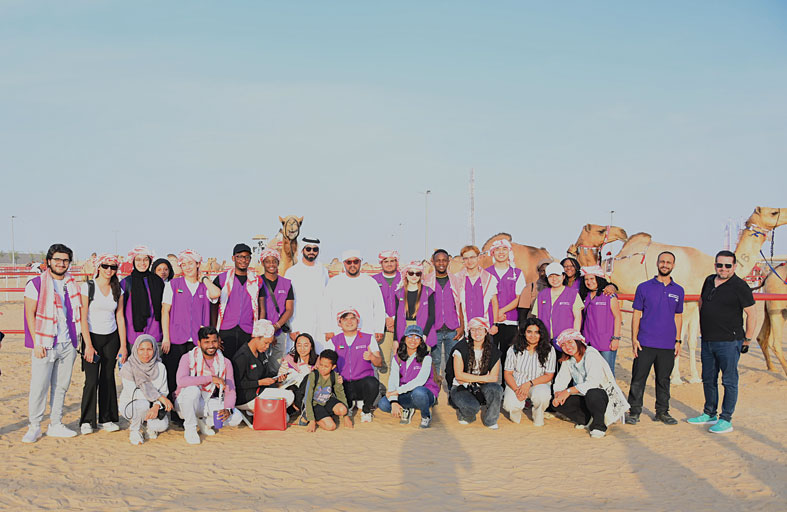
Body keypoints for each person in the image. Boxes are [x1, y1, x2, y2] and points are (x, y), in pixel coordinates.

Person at [689, 250, 756, 434]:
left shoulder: (740, 286)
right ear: (715, 266)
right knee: (708, 378)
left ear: (734, 266)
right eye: (720, 265)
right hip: (708, 340)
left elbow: (752, 313)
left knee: (729, 380)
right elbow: (702, 302)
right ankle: (710, 413)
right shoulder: (709, 280)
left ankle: (726, 418)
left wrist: (748, 340)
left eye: (727, 265)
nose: (723, 269)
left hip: (729, 342)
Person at [22, 243, 83, 442]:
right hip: (45, 343)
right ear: (49, 261)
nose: (61, 263)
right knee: (39, 387)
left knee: (61, 386)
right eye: (57, 259)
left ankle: (56, 423)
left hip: (68, 344)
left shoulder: (72, 284)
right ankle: (34, 426)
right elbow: (30, 314)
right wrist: (37, 343)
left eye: (65, 260)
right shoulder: (36, 284)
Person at [161, 249, 221, 428]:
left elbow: (216, 294)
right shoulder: (173, 284)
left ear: (197, 264)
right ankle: (176, 414)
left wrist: (204, 278)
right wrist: (166, 337)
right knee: (174, 375)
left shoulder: (204, 286)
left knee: (196, 376)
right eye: (184, 264)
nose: (187, 267)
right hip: (176, 338)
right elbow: (165, 311)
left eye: (190, 263)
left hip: (197, 340)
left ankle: (194, 412)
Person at [626, 251, 684, 426]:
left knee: (663, 380)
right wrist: (634, 339)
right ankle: (634, 411)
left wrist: (678, 340)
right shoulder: (643, 287)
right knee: (638, 379)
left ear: (673, 265)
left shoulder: (678, 290)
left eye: (668, 262)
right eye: (662, 261)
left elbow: (678, 316)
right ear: (657, 263)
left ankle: (662, 412)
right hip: (645, 342)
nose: (665, 265)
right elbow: (637, 314)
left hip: (667, 344)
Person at [79, 253, 127, 435]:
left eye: (113, 267)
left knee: (108, 378)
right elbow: (83, 318)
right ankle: (87, 420)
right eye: (105, 266)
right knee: (91, 381)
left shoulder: (118, 289)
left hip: (111, 338)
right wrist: (88, 345)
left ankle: (107, 418)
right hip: (92, 337)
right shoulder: (88, 287)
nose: (109, 270)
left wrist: (123, 345)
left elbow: (120, 317)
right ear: (98, 267)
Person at [552, 329, 629, 438]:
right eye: (563, 345)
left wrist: (568, 391)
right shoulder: (569, 359)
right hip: (583, 395)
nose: (567, 347)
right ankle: (586, 419)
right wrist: (558, 394)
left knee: (593, 393)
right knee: (557, 402)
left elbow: (593, 382)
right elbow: (561, 380)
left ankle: (599, 426)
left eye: (570, 342)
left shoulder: (591, 354)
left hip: (601, 395)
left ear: (578, 342)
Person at [174, 326, 243, 444]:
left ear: (218, 341)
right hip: (185, 402)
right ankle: (190, 429)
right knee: (192, 390)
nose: (211, 345)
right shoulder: (188, 357)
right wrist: (210, 378)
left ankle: (204, 422)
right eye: (206, 342)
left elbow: (230, 390)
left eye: (214, 341)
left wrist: (228, 409)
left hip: (207, 401)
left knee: (236, 417)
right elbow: (181, 381)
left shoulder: (225, 362)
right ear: (199, 343)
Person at [378, 325, 440, 428]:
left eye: (417, 337)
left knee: (418, 392)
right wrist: (394, 400)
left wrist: (397, 391)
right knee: (383, 404)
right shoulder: (397, 358)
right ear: (405, 338)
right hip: (405, 393)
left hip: (424, 393)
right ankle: (406, 408)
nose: (413, 340)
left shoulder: (426, 357)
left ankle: (425, 415)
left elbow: (420, 381)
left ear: (421, 341)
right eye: (410, 336)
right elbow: (393, 379)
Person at [448, 317, 503, 429]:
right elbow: (459, 376)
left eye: (480, 329)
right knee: (472, 408)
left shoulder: (493, 350)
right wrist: (484, 378)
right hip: (461, 386)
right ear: (469, 332)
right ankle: (465, 414)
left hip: (481, 386)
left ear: (486, 331)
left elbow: (494, 378)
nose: (477, 333)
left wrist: (470, 378)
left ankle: (491, 420)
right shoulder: (460, 348)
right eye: (473, 330)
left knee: (496, 389)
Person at [232, 320, 295, 417]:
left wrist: (277, 379)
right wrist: (260, 383)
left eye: (269, 344)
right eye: (265, 343)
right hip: (245, 397)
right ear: (257, 338)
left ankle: (260, 412)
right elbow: (236, 384)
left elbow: (265, 374)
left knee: (285, 415)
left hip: (260, 390)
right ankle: (256, 411)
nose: (267, 346)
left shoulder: (261, 353)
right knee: (289, 397)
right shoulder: (242, 356)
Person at [118, 334, 172, 445]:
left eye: (149, 349)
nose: (145, 353)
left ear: (155, 349)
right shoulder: (128, 367)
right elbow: (134, 393)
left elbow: (164, 390)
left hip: (153, 405)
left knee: (161, 426)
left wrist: (156, 406)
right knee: (143, 404)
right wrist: (159, 398)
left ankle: (147, 425)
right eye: (141, 349)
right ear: (136, 349)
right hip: (131, 405)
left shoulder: (160, 367)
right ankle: (135, 430)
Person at [323, 250, 386, 344]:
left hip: (366, 330)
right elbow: (326, 307)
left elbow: (379, 307)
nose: (352, 265)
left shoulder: (370, 282)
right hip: (339, 331)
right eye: (349, 262)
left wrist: (379, 329)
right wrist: (328, 329)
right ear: (344, 263)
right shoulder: (334, 282)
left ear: (360, 262)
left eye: (355, 261)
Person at [330, 309, 382, 423]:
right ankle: (349, 406)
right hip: (343, 383)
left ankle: (366, 410)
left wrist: (372, 357)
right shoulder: (334, 341)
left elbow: (379, 362)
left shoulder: (368, 338)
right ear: (339, 323)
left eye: (352, 318)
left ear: (358, 321)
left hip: (362, 383)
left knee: (373, 383)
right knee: (343, 405)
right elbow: (325, 363)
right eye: (345, 319)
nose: (349, 322)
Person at [502, 318, 556, 426]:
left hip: (538, 383)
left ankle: (538, 416)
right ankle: (516, 416)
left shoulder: (549, 349)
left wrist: (529, 384)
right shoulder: (513, 349)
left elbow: (549, 375)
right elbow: (508, 373)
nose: (533, 335)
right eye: (529, 332)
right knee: (510, 404)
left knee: (542, 396)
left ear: (541, 334)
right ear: (523, 333)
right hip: (517, 383)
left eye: (537, 332)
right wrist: (516, 390)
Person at [213, 243, 260, 361]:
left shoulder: (256, 281)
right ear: (233, 258)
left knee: (243, 365)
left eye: (247, 257)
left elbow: (262, 307)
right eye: (240, 257)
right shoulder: (222, 279)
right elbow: (213, 306)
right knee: (225, 363)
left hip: (248, 330)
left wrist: (259, 332)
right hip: (225, 330)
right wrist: (214, 333)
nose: (243, 260)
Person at [422, 249, 463, 385]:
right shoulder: (426, 281)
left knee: (453, 362)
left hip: (453, 328)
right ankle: (434, 391)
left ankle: (453, 391)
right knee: (435, 363)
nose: (441, 263)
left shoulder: (455, 280)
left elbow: (460, 304)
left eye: (444, 260)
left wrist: (461, 326)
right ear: (433, 262)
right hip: (434, 329)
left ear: (448, 261)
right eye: (438, 260)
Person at [486, 239, 526, 369]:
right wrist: (494, 316)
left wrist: (500, 312)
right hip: (490, 323)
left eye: (504, 249)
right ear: (493, 252)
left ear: (509, 252)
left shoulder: (517, 273)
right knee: (488, 357)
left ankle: (506, 382)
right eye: (497, 249)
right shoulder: (486, 273)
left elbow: (519, 298)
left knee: (508, 359)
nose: (501, 252)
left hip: (510, 322)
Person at [285, 236, 330, 352]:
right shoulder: (292, 272)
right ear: (302, 250)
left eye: (315, 249)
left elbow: (327, 299)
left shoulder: (323, 271)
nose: (311, 252)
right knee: (298, 356)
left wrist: (328, 327)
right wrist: (292, 327)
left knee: (318, 354)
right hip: (299, 322)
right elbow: (288, 301)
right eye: (308, 249)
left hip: (320, 324)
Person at [531, 262, 583, 354]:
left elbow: (577, 318)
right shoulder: (542, 294)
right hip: (545, 339)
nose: (554, 279)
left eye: (557, 276)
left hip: (565, 340)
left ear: (563, 276)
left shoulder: (573, 294)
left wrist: (574, 337)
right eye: (551, 276)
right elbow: (537, 317)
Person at [580, 266, 622, 376]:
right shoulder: (585, 296)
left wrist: (616, 338)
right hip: (589, 341)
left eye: (592, 279)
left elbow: (617, 317)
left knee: (607, 373)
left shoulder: (609, 296)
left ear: (598, 279)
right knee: (591, 372)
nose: (589, 282)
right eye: (586, 279)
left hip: (606, 342)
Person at [393, 261, 436, 366]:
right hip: (404, 328)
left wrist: (424, 334)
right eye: (411, 273)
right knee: (404, 360)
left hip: (422, 327)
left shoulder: (428, 291)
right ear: (406, 274)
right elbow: (397, 318)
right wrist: (395, 339)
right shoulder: (399, 293)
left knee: (421, 360)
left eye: (418, 274)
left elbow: (432, 316)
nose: (414, 276)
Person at [258, 248, 294, 372]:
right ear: (262, 263)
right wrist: (267, 331)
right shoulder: (257, 282)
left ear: (278, 262)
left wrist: (275, 327)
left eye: (274, 261)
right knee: (260, 362)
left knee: (277, 365)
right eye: (268, 261)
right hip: (261, 332)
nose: (271, 264)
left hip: (279, 330)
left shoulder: (286, 283)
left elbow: (289, 309)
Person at [121, 245, 165, 346]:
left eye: (145, 259)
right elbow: (120, 312)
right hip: (133, 337)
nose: (142, 263)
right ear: (133, 261)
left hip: (156, 336)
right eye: (138, 260)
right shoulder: (126, 283)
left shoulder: (158, 281)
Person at [450, 245, 499, 336]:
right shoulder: (456, 278)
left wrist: (495, 324)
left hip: (485, 326)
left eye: (472, 257)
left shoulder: (489, 278)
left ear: (478, 257)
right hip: (464, 326)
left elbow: (494, 302)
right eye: (466, 258)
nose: (469, 261)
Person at [372, 250, 401, 385]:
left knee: (401, 359)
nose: (389, 264)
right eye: (386, 261)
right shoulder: (373, 280)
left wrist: (395, 319)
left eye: (392, 261)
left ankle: (401, 389)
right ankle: (386, 390)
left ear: (396, 262)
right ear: (381, 263)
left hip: (401, 326)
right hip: (382, 327)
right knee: (384, 361)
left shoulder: (404, 277)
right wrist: (385, 318)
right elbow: (372, 303)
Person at [303, 349, 351, 432]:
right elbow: (308, 398)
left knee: (343, 410)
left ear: (333, 367)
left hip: (327, 401)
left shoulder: (335, 376)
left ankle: (325, 415)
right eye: (321, 365)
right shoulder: (313, 375)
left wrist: (346, 416)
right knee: (331, 426)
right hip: (315, 404)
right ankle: (308, 415)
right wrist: (312, 421)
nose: (322, 368)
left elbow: (341, 395)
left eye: (326, 366)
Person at [278, 332, 319, 413]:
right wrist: (281, 379)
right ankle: (299, 406)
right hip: (291, 391)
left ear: (311, 347)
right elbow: (279, 380)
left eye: (306, 345)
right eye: (299, 345)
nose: (302, 349)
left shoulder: (318, 360)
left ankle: (298, 406)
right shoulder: (289, 359)